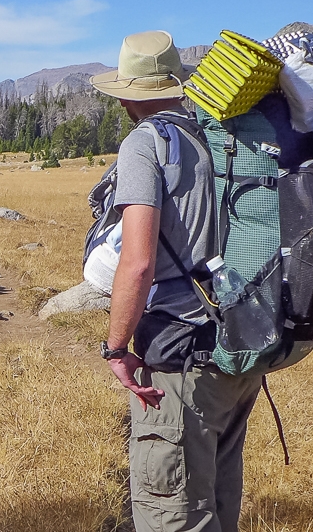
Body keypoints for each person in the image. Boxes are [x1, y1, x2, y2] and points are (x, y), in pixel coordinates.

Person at [90, 30, 262, 532]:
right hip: (238, 345)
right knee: (217, 502)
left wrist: (117, 348)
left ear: (128, 94)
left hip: (179, 360)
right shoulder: (217, 137)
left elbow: (137, 261)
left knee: (171, 514)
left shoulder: (145, 143)